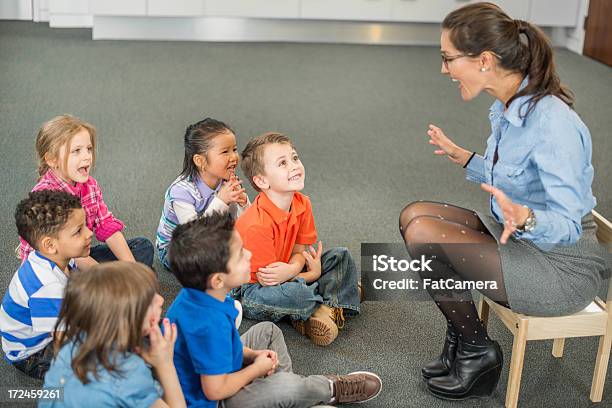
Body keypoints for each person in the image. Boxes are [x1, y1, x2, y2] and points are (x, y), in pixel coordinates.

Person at [398, 2, 610, 401]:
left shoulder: (554, 126)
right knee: (414, 215)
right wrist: (467, 159)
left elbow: (566, 226)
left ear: (484, 60)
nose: (443, 69)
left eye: (448, 59)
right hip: (520, 239)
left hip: (560, 268)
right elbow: (517, 178)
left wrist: (526, 217)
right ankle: (463, 339)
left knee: (427, 233)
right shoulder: (510, 104)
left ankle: (477, 351)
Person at [166, 213, 382, 407]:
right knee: (287, 387)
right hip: (216, 401)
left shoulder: (199, 294)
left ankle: (291, 398)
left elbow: (222, 346)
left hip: (220, 370)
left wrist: (252, 355)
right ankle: (328, 389)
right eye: (240, 254)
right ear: (218, 279)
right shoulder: (207, 324)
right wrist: (257, 368)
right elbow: (215, 390)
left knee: (267, 331)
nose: (249, 254)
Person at [234, 132, 361, 346]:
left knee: (341, 256)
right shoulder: (256, 224)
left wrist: (296, 268)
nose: (294, 166)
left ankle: (323, 309)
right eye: (282, 163)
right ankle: (329, 300)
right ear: (261, 180)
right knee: (299, 294)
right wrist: (311, 273)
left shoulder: (302, 203)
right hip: (254, 289)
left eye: (294, 158)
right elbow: (270, 280)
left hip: (286, 269)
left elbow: (300, 249)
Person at [40, 262, 186, 408]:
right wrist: (165, 364)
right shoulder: (129, 373)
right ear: (126, 320)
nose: (161, 300)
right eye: (150, 301)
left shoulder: (70, 348)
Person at [18, 114, 154, 270]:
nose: (87, 156)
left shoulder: (90, 185)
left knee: (142, 247)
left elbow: (106, 225)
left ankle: (118, 287)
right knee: (75, 278)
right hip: (54, 267)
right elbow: (71, 257)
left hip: (80, 254)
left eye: (88, 149)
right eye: (76, 151)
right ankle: (115, 288)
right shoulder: (45, 197)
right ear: (52, 159)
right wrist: (106, 279)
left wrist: (133, 269)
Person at [1, 190, 91, 379]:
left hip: (52, 322)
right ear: (50, 245)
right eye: (78, 231)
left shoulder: (56, 257)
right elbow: (63, 344)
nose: (89, 233)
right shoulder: (48, 287)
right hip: (31, 353)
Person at [155, 117, 249, 271]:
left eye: (234, 149)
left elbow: (237, 222)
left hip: (214, 237)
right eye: (225, 152)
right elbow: (194, 237)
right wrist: (221, 200)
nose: (233, 157)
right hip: (178, 248)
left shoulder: (226, 180)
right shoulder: (181, 192)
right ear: (200, 161)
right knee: (213, 264)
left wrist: (243, 203)